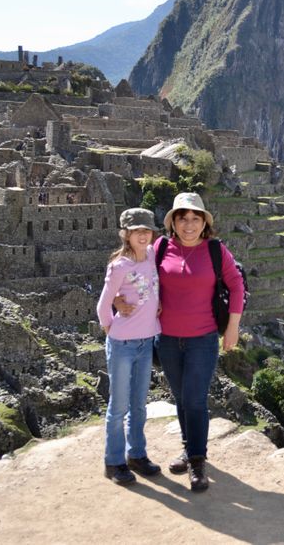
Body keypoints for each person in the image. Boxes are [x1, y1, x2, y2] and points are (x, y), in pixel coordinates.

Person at [115, 192, 244, 492]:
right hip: (168, 338)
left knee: (195, 399)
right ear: (173, 221)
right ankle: (189, 449)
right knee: (181, 398)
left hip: (203, 337)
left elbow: (236, 284)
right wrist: (118, 298)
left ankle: (198, 460)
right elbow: (133, 270)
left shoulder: (215, 250)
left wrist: (233, 328)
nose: (189, 224)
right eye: (182, 218)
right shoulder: (160, 247)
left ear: (204, 222)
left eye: (195, 218)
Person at [95, 208, 162, 486]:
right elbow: (103, 304)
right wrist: (111, 328)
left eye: (147, 230)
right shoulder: (119, 266)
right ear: (126, 234)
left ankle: (136, 454)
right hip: (122, 344)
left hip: (146, 342)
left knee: (139, 405)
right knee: (119, 406)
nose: (143, 234)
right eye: (137, 231)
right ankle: (114, 462)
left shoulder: (152, 257)